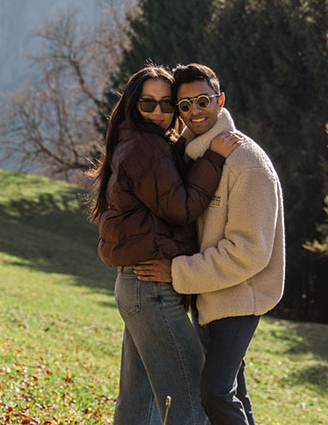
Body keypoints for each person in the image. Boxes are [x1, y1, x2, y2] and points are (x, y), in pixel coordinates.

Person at [91, 64, 244, 425]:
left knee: (138, 400)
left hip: (137, 286)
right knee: (192, 400)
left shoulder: (140, 141)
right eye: (148, 104)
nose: (159, 113)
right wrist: (215, 157)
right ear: (133, 105)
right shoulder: (146, 148)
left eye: (167, 105)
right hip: (152, 290)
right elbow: (181, 208)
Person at [135, 63, 284, 425]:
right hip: (210, 295)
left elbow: (249, 251)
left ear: (219, 100)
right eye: (184, 106)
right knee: (233, 393)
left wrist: (177, 271)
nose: (194, 111)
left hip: (239, 297)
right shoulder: (195, 155)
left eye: (203, 101)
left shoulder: (246, 162)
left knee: (215, 393)